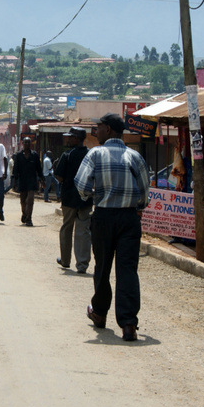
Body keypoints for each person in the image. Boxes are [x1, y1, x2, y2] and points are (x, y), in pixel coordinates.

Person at [75, 113, 150, 342]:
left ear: (108, 129)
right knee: (127, 269)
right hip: (129, 219)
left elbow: (81, 184)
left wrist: (89, 195)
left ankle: (99, 313)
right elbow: (145, 191)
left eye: (97, 128)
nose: (95, 132)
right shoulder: (135, 156)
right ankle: (128, 324)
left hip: (104, 217)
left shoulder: (95, 154)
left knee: (103, 267)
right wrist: (137, 205)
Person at [55, 127, 93, 273]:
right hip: (86, 198)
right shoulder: (91, 154)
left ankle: (65, 260)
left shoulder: (67, 155)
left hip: (69, 198)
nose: (68, 139)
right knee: (83, 230)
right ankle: (82, 264)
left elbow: (60, 177)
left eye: (70, 137)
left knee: (67, 228)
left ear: (76, 138)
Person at [11, 137, 44, 226]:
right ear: (22, 144)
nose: (27, 144)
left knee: (30, 200)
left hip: (32, 181)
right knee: (23, 201)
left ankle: (29, 219)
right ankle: (24, 214)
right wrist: (14, 181)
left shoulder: (35, 155)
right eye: (25, 143)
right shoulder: (18, 155)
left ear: (30, 144)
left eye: (28, 143)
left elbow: (39, 169)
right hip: (22, 181)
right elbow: (15, 169)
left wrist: (42, 179)